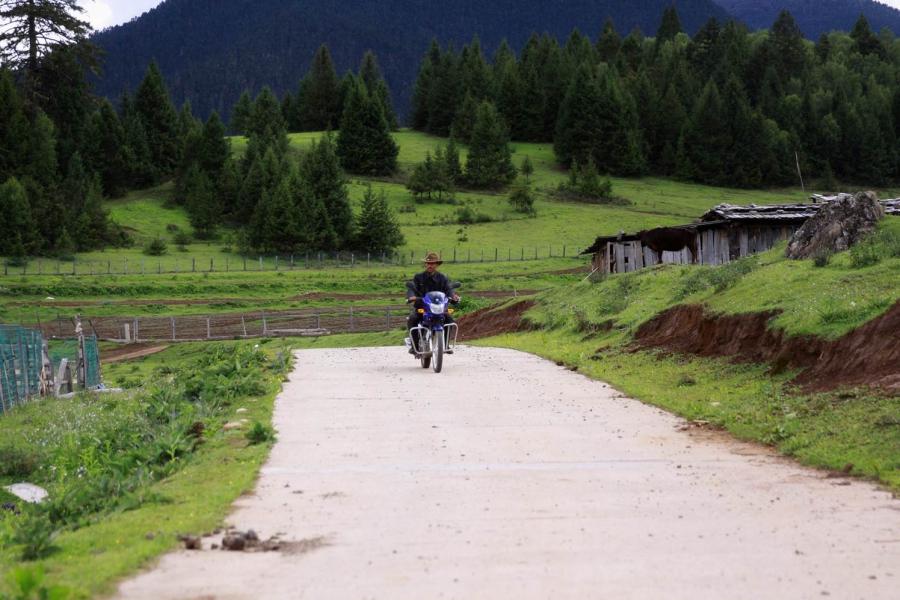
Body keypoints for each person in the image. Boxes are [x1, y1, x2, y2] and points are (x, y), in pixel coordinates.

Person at [406, 252, 460, 353]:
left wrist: (453, 296)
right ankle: (415, 346)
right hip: (422, 307)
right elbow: (411, 288)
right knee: (412, 319)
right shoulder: (418, 277)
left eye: (433, 263)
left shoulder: (442, 278)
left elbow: (448, 289)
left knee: (449, 319)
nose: (430, 265)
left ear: (437, 264)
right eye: (428, 263)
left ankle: (446, 344)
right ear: (425, 264)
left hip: (439, 308)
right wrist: (411, 296)